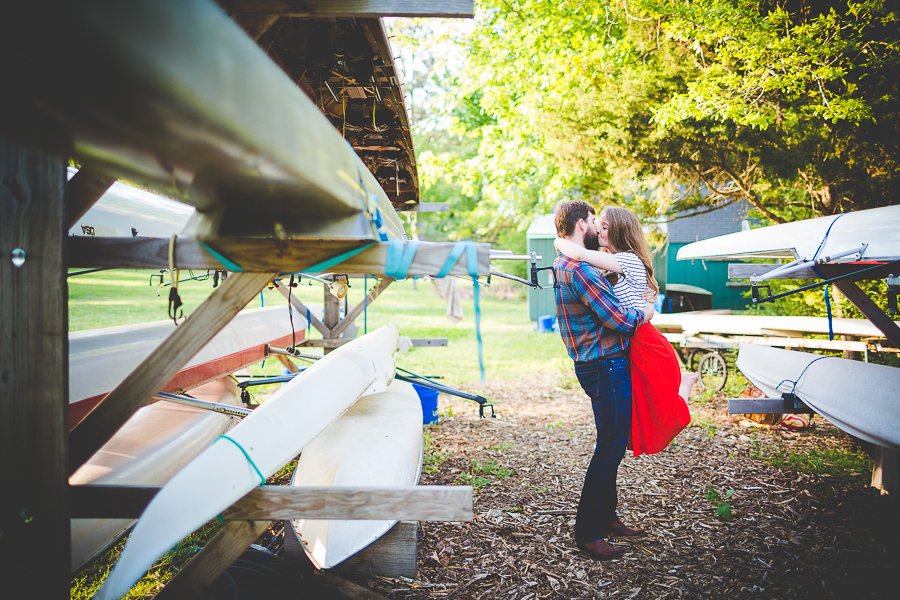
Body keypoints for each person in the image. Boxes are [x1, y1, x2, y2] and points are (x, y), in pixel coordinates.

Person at [552, 200, 654, 560]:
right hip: (606, 366)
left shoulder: (566, 262)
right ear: (582, 226)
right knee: (610, 448)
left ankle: (607, 517)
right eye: (594, 222)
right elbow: (621, 321)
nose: (598, 228)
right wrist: (645, 311)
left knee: (611, 443)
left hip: (593, 363)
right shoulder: (583, 272)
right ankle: (588, 532)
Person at [554, 206, 696, 456]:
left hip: (644, 340)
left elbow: (577, 252)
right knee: (645, 407)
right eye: (598, 224)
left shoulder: (627, 259)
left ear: (619, 232)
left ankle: (683, 386)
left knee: (662, 411)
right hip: (634, 340)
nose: (598, 229)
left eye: (605, 226)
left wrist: (558, 239)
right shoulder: (611, 264)